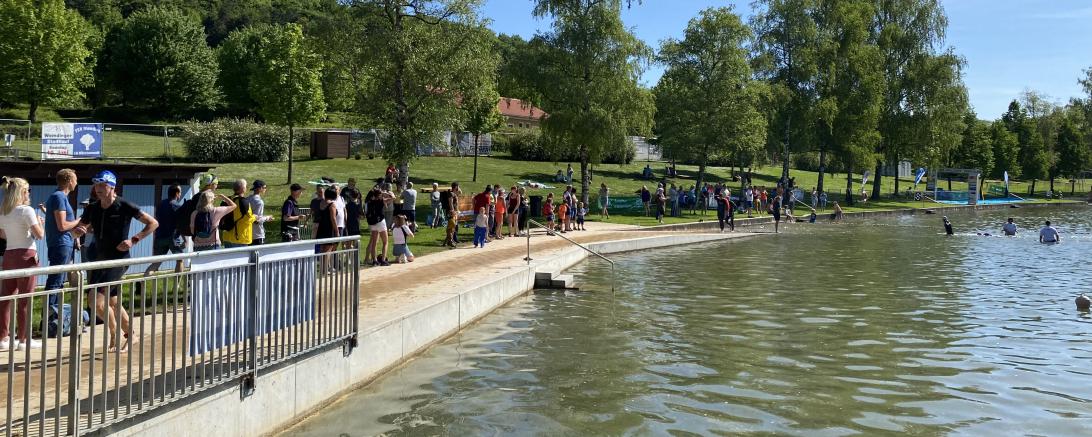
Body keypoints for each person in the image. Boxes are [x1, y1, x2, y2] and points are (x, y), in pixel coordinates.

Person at [72, 170, 159, 352]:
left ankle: (116, 333)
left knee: (95, 302)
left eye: (102, 185)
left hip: (117, 260)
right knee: (113, 303)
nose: (98, 189)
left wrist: (134, 239)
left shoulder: (124, 205)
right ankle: (130, 335)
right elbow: (81, 228)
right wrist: (79, 231)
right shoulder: (92, 208)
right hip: (98, 260)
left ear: (112, 187)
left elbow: (153, 223)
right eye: (96, 185)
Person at [0, 176, 45, 351]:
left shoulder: (4, 210)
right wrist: (40, 223)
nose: (29, 193)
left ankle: (3, 338)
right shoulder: (27, 210)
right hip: (26, 254)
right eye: (28, 190)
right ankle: (24, 340)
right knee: (25, 298)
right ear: (23, 192)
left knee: (6, 297)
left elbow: (2, 234)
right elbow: (39, 235)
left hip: (9, 254)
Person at [44, 169, 80, 300]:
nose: (76, 183)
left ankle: (53, 310)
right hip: (61, 244)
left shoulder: (60, 197)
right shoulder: (59, 197)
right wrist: (79, 220)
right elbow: (62, 226)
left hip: (63, 243)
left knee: (58, 280)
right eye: (75, 180)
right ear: (69, 181)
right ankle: (50, 311)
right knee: (56, 280)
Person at [144, 184, 186, 280]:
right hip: (172, 238)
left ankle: (142, 283)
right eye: (180, 192)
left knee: (156, 263)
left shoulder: (160, 204)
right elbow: (180, 224)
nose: (180, 194)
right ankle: (176, 286)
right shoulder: (178, 206)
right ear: (177, 193)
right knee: (180, 260)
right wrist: (185, 239)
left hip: (160, 237)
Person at [221, 179, 256, 248]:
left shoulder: (226, 200)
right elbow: (247, 219)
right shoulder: (243, 201)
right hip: (239, 237)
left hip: (227, 236)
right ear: (243, 189)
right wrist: (255, 217)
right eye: (246, 186)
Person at [364, 188, 392, 265]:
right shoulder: (381, 200)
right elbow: (392, 197)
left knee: (374, 243)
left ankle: (374, 260)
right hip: (380, 222)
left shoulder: (369, 202)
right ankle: (383, 260)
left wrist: (380, 193)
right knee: (385, 242)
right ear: (379, 194)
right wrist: (384, 193)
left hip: (372, 223)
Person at [314, 188, 340, 256]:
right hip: (329, 229)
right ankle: (325, 263)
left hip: (321, 228)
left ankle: (322, 263)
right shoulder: (332, 204)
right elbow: (333, 219)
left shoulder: (321, 202)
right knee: (328, 250)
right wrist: (337, 231)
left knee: (322, 250)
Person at [247, 180, 274, 245]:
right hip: (257, 234)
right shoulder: (259, 202)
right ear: (260, 189)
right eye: (264, 187)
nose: (265, 189)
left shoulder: (247, 199)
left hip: (248, 232)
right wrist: (267, 218)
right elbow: (257, 220)